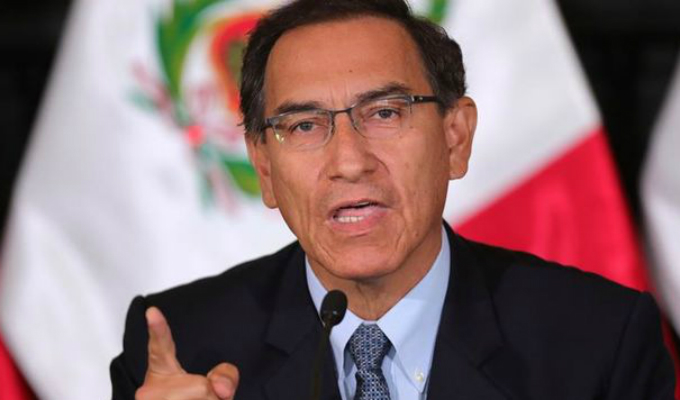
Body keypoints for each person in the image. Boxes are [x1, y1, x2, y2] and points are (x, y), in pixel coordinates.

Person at [110, 0, 676, 399]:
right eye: (304, 125)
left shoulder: (599, 344)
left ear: (455, 137)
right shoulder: (181, 350)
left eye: (384, 113)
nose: (349, 161)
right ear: (264, 167)